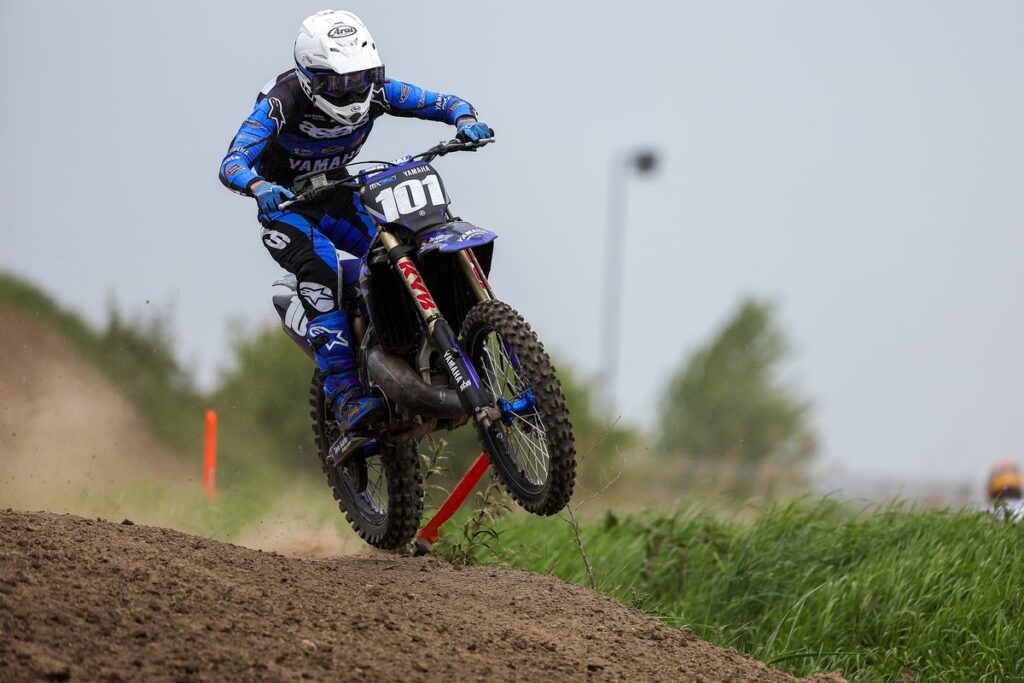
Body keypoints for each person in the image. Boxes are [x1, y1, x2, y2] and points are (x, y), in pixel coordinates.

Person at [218, 10, 493, 432]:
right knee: (323, 268)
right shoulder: (281, 101)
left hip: (340, 193)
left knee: (401, 247)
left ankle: (414, 349)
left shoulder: (379, 91)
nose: (353, 90)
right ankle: (345, 395)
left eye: (362, 77)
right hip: (287, 208)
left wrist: (466, 121)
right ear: (310, 78)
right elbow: (233, 160)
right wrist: (258, 186)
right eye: (339, 83)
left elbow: (444, 102)